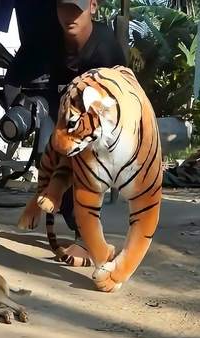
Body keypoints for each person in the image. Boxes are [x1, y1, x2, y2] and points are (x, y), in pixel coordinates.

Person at [51, 0, 127, 235]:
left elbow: (120, 94)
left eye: (77, 9)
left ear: (92, 7)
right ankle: (76, 220)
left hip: (95, 122)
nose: (70, 16)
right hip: (59, 120)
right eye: (64, 7)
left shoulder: (106, 48)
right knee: (54, 174)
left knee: (86, 177)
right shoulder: (46, 38)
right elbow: (18, 74)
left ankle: (85, 231)